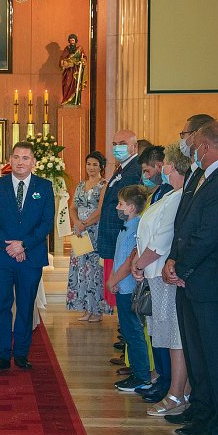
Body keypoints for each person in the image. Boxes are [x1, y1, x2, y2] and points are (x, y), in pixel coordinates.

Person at [164, 120, 218, 435]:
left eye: (195, 144)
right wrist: (174, 260)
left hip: (209, 282)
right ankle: (205, 416)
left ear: (206, 146)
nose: (192, 150)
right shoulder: (205, 176)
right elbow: (184, 225)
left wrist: (181, 267)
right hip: (192, 279)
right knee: (199, 355)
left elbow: (210, 233)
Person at [0, 142, 55, 371]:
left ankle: (21, 353)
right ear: (10, 160)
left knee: (25, 305)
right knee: (1, 305)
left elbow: (46, 222)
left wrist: (23, 245)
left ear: (33, 162)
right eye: (16, 157)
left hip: (31, 256)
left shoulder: (44, 186)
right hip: (2, 257)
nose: (20, 162)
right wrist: (11, 246)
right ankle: (2, 354)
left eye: (25, 158)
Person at [132, 143, 191, 416]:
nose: (161, 167)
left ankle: (178, 393)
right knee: (166, 334)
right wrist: (139, 261)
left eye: (165, 163)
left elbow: (162, 239)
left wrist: (139, 263)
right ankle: (177, 389)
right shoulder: (171, 193)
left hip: (164, 275)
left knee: (175, 336)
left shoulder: (179, 196)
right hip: (155, 274)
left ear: (173, 166)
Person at [105, 185, 151, 392]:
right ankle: (137, 371)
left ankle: (141, 376)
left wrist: (113, 280)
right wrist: (114, 279)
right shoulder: (127, 226)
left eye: (121, 204)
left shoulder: (136, 228)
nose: (117, 208)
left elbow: (129, 261)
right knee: (128, 330)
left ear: (131, 208)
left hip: (129, 287)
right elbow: (119, 258)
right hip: (122, 286)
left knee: (133, 332)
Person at [97, 130, 142, 309]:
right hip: (115, 236)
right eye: (115, 144)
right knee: (118, 292)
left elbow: (131, 203)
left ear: (134, 146)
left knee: (124, 291)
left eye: (122, 143)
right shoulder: (122, 168)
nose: (117, 148)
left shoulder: (135, 168)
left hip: (123, 234)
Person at [66, 151, 110, 322]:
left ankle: (97, 310)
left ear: (101, 167)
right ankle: (85, 308)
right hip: (80, 231)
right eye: (88, 164)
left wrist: (85, 224)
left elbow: (100, 210)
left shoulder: (104, 185)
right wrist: (77, 223)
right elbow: (72, 207)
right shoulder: (80, 185)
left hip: (95, 230)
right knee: (81, 268)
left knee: (94, 269)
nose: (91, 167)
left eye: (95, 164)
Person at [60, 33, 87, 105]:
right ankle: (67, 100)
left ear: (75, 41)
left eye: (73, 40)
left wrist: (83, 60)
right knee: (67, 84)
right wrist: (65, 62)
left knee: (76, 86)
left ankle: (76, 101)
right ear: (69, 41)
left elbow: (84, 57)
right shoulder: (67, 49)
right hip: (69, 71)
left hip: (76, 70)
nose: (72, 42)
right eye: (71, 40)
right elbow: (62, 58)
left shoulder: (79, 49)